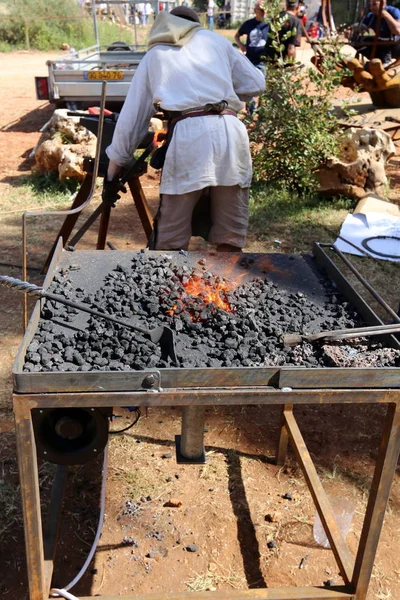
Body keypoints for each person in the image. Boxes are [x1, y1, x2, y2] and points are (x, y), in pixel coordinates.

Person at [103, 6, 265, 252]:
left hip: (190, 139)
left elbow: (132, 118)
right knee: (229, 238)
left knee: (170, 241)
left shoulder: (156, 53)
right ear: (196, 24)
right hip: (231, 133)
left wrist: (113, 173)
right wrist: (220, 90)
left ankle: (167, 286)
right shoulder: (218, 43)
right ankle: (228, 287)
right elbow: (256, 83)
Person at [355, 0, 400, 65]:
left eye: (374, 4)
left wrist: (385, 15)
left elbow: (397, 31)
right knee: (359, 40)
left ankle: (387, 61)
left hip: (394, 46)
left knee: (383, 41)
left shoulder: (393, 11)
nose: (371, 8)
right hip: (379, 46)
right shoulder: (370, 16)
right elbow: (360, 28)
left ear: (383, 2)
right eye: (370, 5)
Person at [234, 2, 269, 75]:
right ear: (255, 10)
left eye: (264, 10)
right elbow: (236, 36)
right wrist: (241, 45)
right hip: (249, 61)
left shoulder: (269, 24)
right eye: (261, 10)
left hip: (263, 62)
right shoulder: (248, 24)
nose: (263, 12)